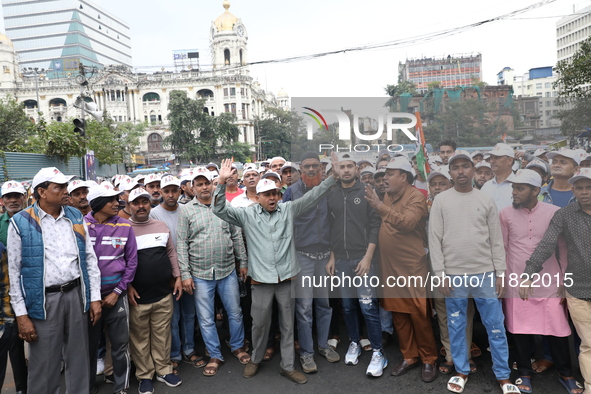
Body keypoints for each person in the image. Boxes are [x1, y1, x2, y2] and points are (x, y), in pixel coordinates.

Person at [213, 154, 341, 384]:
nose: (272, 198)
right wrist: (221, 182)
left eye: (275, 194)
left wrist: (332, 178)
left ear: (280, 196)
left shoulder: (288, 210)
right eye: (267, 195)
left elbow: (314, 195)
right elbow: (219, 210)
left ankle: (288, 366)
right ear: (258, 197)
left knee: (288, 324)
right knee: (260, 324)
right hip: (261, 280)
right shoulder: (247, 214)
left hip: (286, 278)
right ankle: (255, 359)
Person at [7, 167, 102, 394]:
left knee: (78, 359)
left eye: (65, 186)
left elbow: (89, 258)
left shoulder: (75, 216)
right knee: (44, 363)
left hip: (76, 295)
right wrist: (21, 315)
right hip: (43, 301)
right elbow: (14, 271)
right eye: (58, 187)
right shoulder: (21, 222)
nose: (65, 191)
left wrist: (95, 297)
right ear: (42, 192)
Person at [429, 153, 517, 394]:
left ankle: (503, 375)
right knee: (456, 325)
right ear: (450, 173)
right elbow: (434, 239)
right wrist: (440, 273)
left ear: (473, 169)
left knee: (495, 326)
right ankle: (461, 369)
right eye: (455, 167)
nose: (460, 171)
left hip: (485, 274)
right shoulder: (441, 200)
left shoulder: (485, 199)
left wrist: (500, 272)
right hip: (453, 276)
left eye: (465, 167)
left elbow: (496, 241)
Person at [499, 169, 582, 394]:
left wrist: (565, 279)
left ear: (536, 190)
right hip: (516, 278)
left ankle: (566, 374)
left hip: (549, 278)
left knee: (556, 327)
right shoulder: (505, 213)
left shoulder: (555, 212)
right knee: (519, 330)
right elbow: (503, 248)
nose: (514, 192)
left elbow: (563, 248)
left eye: (520, 188)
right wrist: (502, 278)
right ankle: (524, 373)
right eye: (514, 187)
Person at [365, 157, 438, 383]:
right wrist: (381, 204)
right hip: (390, 265)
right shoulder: (387, 195)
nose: (385, 178)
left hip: (411, 266)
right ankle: (410, 356)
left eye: (390, 174)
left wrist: (379, 206)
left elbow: (407, 223)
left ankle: (429, 358)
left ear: (404, 177)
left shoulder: (416, 196)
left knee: (418, 313)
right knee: (398, 313)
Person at [521, 167, 591, 394]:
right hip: (578, 290)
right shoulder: (565, 215)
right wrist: (528, 274)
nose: (584, 192)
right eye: (579, 188)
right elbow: (546, 245)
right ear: (573, 190)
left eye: (589, 187)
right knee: (588, 345)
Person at [177, 170, 249, 377]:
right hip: (200, 273)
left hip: (227, 270)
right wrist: (185, 274)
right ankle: (215, 354)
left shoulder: (225, 206)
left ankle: (236, 346)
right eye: (199, 184)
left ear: (214, 184)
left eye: (207, 183)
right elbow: (181, 243)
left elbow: (236, 235)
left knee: (234, 312)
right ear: (193, 188)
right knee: (206, 317)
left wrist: (242, 262)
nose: (204, 187)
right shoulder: (186, 211)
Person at [325, 153, 386, 377]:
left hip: (363, 258)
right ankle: (353, 342)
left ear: (357, 169)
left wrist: (369, 257)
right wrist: (332, 256)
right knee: (349, 306)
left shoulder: (367, 191)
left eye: (350, 166)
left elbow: (375, 224)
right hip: (341, 260)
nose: (347, 170)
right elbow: (330, 226)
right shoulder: (331, 194)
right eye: (342, 167)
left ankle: (378, 352)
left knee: (368, 306)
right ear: (337, 171)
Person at [282, 152, 340, 374]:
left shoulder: (328, 190)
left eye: (315, 165)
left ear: (321, 167)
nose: (312, 170)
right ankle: (306, 353)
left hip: (324, 256)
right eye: (307, 166)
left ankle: (323, 345)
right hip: (302, 257)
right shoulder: (291, 192)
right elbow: (284, 226)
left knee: (324, 304)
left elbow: (333, 225)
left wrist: (333, 254)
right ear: (300, 169)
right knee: (304, 307)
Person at [127, 188, 183, 394]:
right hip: (137, 297)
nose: (141, 206)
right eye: (136, 203)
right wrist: (127, 286)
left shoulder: (161, 225)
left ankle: (164, 370)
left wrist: (177, 277)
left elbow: (171, 252)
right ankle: (144, 375)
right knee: (140, 339)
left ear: (150, 203)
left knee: (162, 335)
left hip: (163, 293)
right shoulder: (124, 228)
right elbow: (121, 262)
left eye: (145, 202)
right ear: (129, 205)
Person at [85, 183, 138, 394]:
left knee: (120, 345)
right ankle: (87, 386)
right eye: (111, 200)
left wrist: (118, 292)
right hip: (89, 298)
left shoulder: (125, 226)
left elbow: (132, 262)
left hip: (117, 295)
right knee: (88, 346)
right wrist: (92, 297)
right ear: (98, 204)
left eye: (117, 199)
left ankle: (121, 387)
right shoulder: (80, 225)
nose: (117, 203)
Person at [150, 175, 204, 373]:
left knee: (189, 314)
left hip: (189, 271)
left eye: (174, 190)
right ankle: (174, 354)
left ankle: (189, 349)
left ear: (180, 191)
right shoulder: (154, 214)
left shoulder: (188, 210)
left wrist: (185, 274)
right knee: (172, 317)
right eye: (166, 191)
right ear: (161, 193)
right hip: (168, 275)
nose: (171, 195)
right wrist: (173, 277)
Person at [0, 181, 27, 393]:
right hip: (7, 293)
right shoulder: (0, 224)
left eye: (17, 196)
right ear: (2, 201)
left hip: (30, 290)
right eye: (8, 197)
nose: (13, 200)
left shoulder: (33, 221)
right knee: (11, 343)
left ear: (24, 197)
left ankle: (25, 386)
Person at [481, 143, 517, 210]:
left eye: (497, 158)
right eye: (491, 158)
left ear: (509, 160)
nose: (492, 161)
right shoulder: (486, 186)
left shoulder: (519, 185)